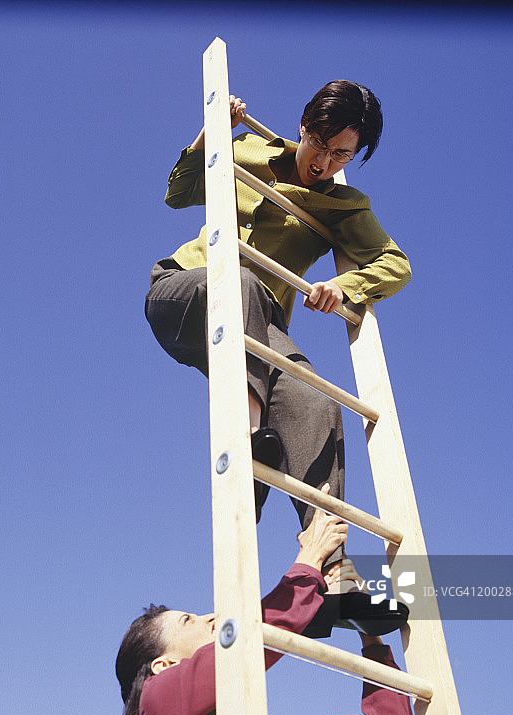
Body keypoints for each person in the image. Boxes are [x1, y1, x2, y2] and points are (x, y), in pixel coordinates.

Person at [144, 81, 411, 634]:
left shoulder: (342, 204)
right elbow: (178, 192)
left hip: (257, 331)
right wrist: (213, 135)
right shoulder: (249, 150)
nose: (325, 160)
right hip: (186, 292)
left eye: (342, 154)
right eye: (320, 142)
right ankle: (249, 441)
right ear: (303, 125)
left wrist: (346, 286)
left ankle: (334, 575)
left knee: (316, 400)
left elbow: (395, 264)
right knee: (237, 277)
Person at [115, 487, 416, 715]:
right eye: (188, 620)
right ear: (164, 666)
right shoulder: (157, 700)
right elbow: (246, 640)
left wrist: (364, 626)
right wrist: (310, 559)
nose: (211, 617)